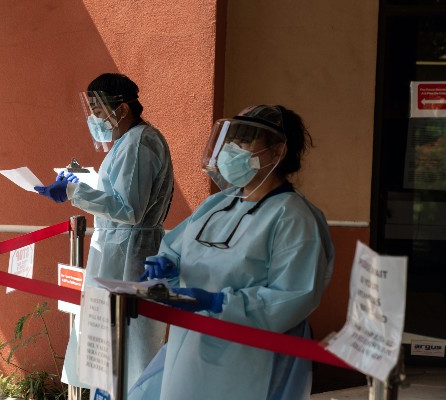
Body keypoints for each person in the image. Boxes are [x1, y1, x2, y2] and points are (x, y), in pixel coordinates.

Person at [134, 105, 334, 400]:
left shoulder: (292, 216)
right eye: (230, 141)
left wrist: (219, 302)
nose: (230, 149)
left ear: (277, 152)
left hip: (248, 352)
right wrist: (167, 266)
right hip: (191, 341)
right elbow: (177, 248)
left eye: (243, 142)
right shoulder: (218, 203)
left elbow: (294, 294)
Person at [34, 73, 174, 392]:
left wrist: (74, 192)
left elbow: (129, 209)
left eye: (99, 110)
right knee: (106, 345)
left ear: (122, 110)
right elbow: (116, 190)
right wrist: (80, 178)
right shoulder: (127, 142)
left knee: (130, 348)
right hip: (116, 250)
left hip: (130, 255)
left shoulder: (139, 143)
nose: (95, 118)